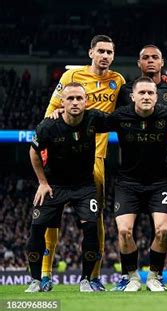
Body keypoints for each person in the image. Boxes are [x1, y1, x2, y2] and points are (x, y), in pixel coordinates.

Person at [42, 34, 125, 292]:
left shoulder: (118, 81)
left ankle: (93, 276)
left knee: (95, 219)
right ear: (90, 53)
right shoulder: (71, 78)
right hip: (60, 159)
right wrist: (56, 112)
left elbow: (128, 112)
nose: (105, 56)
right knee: (50, 217)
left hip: (95, 159)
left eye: (109, 52)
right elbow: (49, 112)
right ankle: (44, 275)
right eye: (100, 51)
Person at [104, 77, 167, 291]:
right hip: (127, 184)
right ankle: (132, 277)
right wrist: (57, 111)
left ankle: (154, 277)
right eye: (142, 93)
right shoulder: (120, 116)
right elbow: (89, 121)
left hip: (160, 183)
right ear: (133, 97)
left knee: (162, 230)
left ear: (157, 97)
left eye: (150, 93)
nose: (146, 96)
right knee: (124, 232)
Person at [25, 83, 105, 292]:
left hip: (84, 186)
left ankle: (86, 280)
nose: (75, 102)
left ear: (86, 101)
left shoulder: (94, 118)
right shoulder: (48, 126)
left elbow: (124, 121)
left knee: (91, 228)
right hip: (54, 185)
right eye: (70, 99)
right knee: (37, 228)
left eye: (79, 98)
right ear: (62, 102)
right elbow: (34, 152)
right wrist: (42, 182)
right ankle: (35, 280)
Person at [117, 44, 167, 111]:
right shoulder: (125, 90)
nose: (150, 61)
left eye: (155, 57)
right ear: (139, 63)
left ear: (162, 62)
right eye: (145, 57)